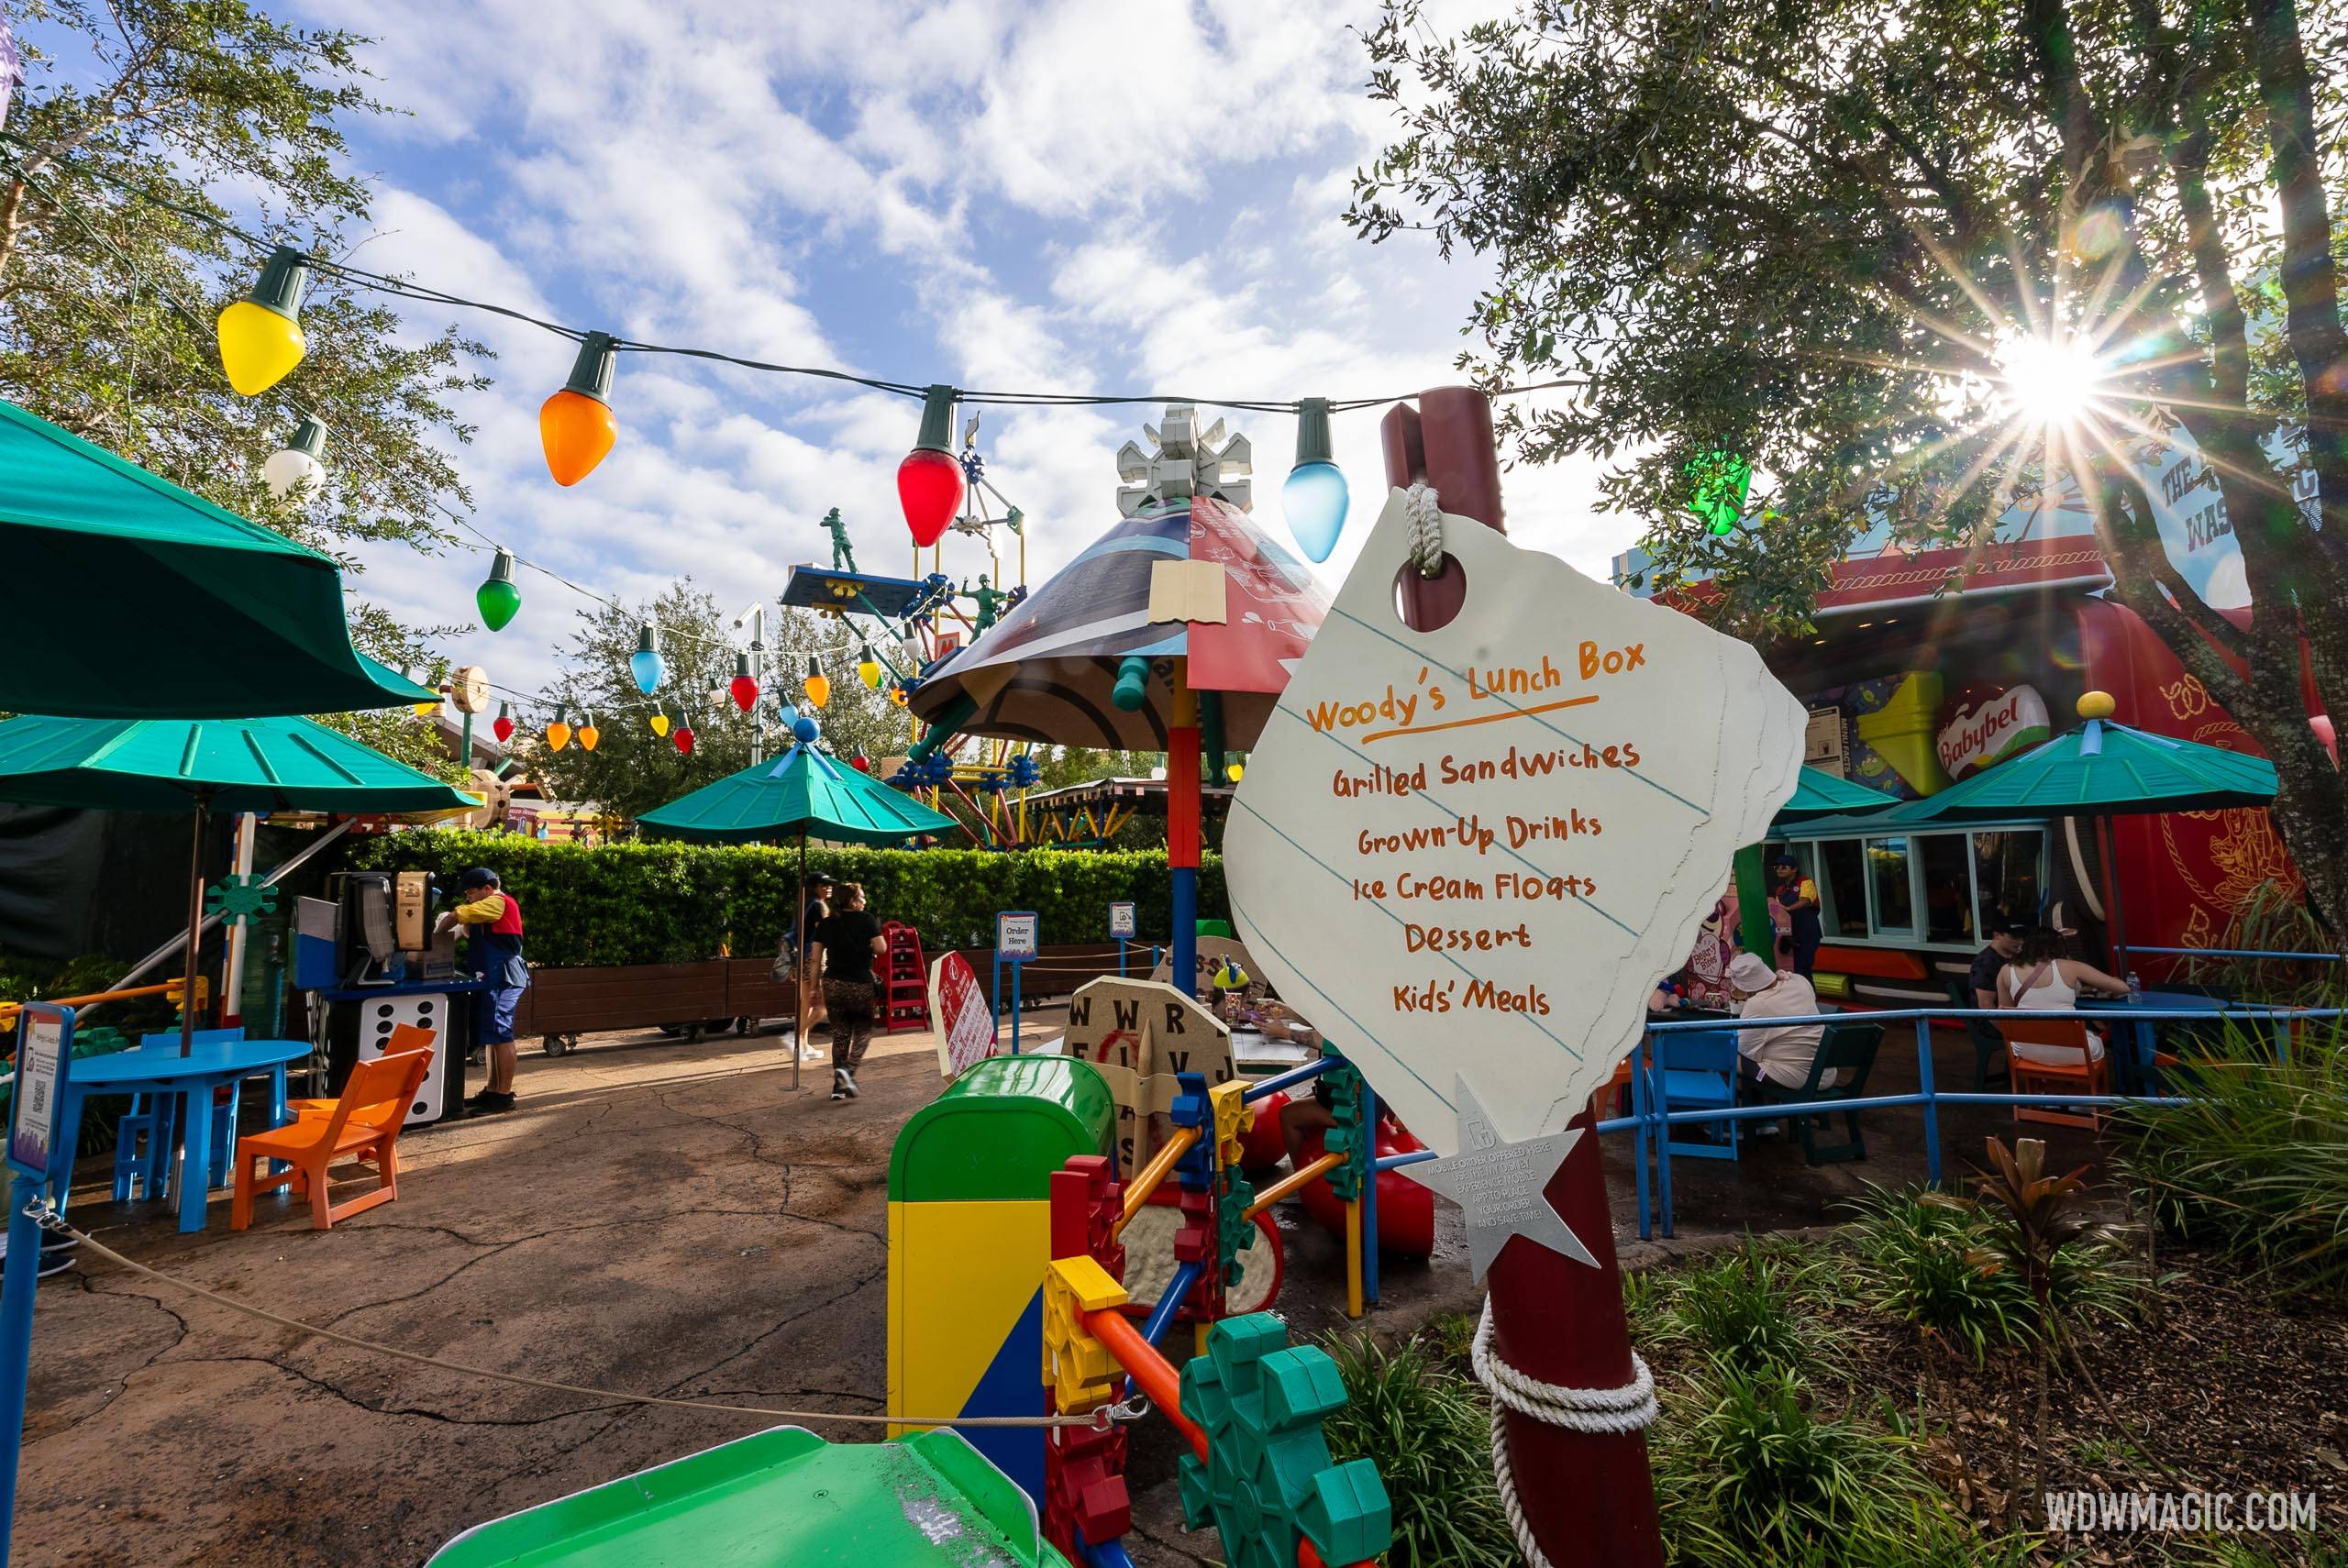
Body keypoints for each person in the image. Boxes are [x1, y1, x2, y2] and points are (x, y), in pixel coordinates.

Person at [436, 867, 529, 1116]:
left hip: (504, 976)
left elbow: (458, 915)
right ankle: (492, 1090)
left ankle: (503, 1097)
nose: (468, 897)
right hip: (490, 976)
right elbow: (465, 928)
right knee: (491, 1036)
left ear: (487, 889)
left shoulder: (498, 902)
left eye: (471, 892)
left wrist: (433, 936)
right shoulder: (485, 911)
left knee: (501, 1032)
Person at [1998, 926, 2127, 1066]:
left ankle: (2044, 1083)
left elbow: (2006, 1013)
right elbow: (2123, 988)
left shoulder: (2005, 971)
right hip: (2074, 1052)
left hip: (2026, 1050)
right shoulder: (2070, 966)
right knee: (2095, 1038)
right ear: (2058, 946)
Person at [808, 880, 886, 1099]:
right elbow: (881, 948)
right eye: (861, 897)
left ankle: (838, 1087)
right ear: (852, 900)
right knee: (863, 1031)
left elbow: (815, 959)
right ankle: (848, 1071)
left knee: (840, 1034)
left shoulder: (826, 923)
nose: (864, 900)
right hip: (859, 983)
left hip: (832, 983)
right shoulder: (867, 919)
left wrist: (814, 988)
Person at [1726, 950, 1833, 1095]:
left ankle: (1752, 1112)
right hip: (1825, 1072)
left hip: (1798, 1078)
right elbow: (1790, 980)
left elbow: (1744, 1049)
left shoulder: (1758, 1004)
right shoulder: (1799, 982)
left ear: (1744, 988)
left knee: (1727, 1056)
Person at [791, 873, 836, 1051]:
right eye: (825, 884)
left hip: (799, 957)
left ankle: (803, 1045)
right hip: (813, 958)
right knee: (820, 1008)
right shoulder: (819, 906)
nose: (829, 887)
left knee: (806, 1006)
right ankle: (796, 1039)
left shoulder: (802, 904)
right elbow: (825, 933)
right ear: (817, 887)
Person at [1772, 855, 1822, 977]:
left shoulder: (1805, 882)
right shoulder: (1780, 889)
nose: (1779, 869)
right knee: (1789, 969)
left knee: (1803, 968)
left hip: (1807, 931)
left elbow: (1806, 900)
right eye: (1777, 867)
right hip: (1789, 933)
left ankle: (1809, 996)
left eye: (1784, 867)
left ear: (1794, 869)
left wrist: (1788, 908)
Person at [1970, 918, 2029, 1011]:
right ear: (1997, 935)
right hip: (1992, 1020)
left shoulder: (2019, 957)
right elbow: (1986, 1005)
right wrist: (2006, 1026)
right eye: (2014, 937)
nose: (2020, 941)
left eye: (2022, 937)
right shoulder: (1984, 962)